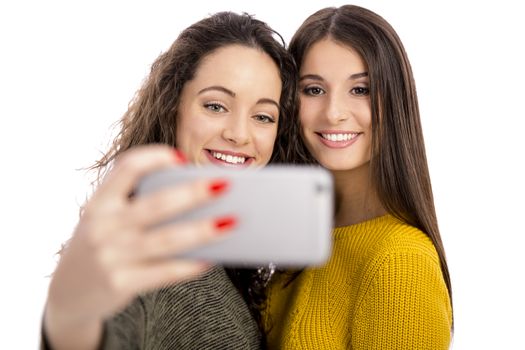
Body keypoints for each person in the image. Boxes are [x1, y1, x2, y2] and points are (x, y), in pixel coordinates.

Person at [41, 11, 306, 349]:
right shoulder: (145, 249)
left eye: (263, 116)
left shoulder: (223, 250)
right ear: (173, 106)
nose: (240, 134)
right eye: (215, 106)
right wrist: (71, 320)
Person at [263, 5, 453, 349]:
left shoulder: (400, 262)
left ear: (395, 102)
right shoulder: (305, 238)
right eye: (314, 90)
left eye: (360, 90)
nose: (334, 113)